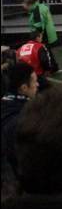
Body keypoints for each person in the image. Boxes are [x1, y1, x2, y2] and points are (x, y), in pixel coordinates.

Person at [1, 62, 38, 199]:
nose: (37, 85)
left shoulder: (6, 103)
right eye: (34, 82)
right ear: (23, 88)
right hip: (15, 187)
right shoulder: (23, 118)